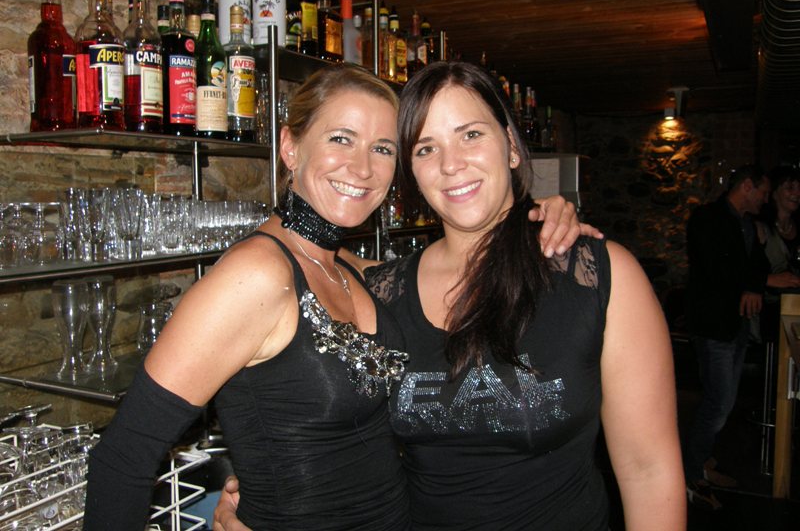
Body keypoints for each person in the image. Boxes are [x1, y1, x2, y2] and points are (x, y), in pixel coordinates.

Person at [83, 64, 592, 530]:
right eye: (341, 139)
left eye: (383, 149)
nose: (362, 168)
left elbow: (456, 266)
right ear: (290, 147)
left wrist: (534, 216)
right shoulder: (255, 275)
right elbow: (124, 456)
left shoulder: (352, 271)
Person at [216, 61, 684, 530]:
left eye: (471, 135)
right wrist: (261, 505)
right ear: (411, 172)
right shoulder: (379, 292)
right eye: (426, 148)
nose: (450, 164)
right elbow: (328, 431)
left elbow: (649, 471)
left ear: (511, 146)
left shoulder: (598, 276)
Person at [684, 164, 774, 509]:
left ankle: (702, 460)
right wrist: (754, 283)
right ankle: (691, 472)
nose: (765, 199)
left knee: (723, 401)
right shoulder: (708, 218)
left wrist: (756, 281)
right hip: (713, 327)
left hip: (735, 326)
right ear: (747, 186)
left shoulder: (747, 224)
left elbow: (758, 264)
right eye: (763, 192)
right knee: (718, 403)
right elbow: (717, 268)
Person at [756, 165, 800, 342]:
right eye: (790, 187)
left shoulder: (798, 226)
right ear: (774, 193)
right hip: (768, 308)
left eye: (799, 188)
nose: (797, 193)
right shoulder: (760, 227)